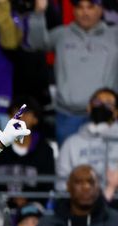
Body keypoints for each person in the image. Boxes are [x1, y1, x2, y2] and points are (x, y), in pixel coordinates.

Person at [27, 0, 118, 145]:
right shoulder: (62, 34)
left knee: (107, 166)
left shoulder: (114, 35)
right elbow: (35, 44)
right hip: (67, 117)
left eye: (90, 7)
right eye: (80, 7)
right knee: (69, 165)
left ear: (101, 9)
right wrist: (38, 14)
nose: (85, 12)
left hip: (106, 116)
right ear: (73, 10)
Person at [0, 100, 55, 208]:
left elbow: (46, 186)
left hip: (34, 207)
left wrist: (28, 199)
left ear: (35, 120)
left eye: (27, 113)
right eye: (17, 113)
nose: (21, 117)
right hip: (0, 206)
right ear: (9, 117)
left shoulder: (45, 151)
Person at [56, 88, 118, 194]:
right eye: (97, 102)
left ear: (116, 112)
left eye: (108, 103)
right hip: (78, 204)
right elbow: (61, 184)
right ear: (89, 107)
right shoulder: (71, 143)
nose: (102, 106)